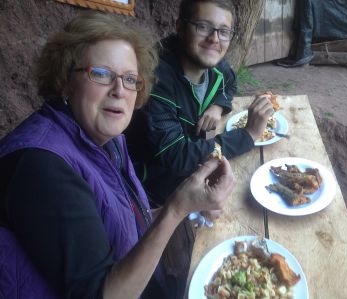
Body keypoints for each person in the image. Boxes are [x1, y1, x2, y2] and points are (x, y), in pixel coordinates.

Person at [0, 12, 235, 299]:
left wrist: (189, 207)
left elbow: (120, 220)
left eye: (130, 79)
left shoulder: (104, 140)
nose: (119, 90)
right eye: (101, 74)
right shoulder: (41, 166)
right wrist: (175, 209)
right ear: (64, 80)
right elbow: (104, 294)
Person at [125, 0, 275, 205]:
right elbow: (177, 156)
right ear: (181, 28)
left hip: (195, 161)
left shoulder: (215, 64)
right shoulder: (155, 80)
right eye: (203, 27)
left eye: (224, 31)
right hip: (153, 191)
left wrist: (217, 106)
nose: (214, 39)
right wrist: (247, 134)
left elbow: (230, 83)